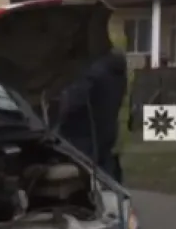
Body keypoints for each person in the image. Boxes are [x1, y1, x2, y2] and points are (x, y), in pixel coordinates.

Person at [54, 27, 129, 183]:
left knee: (84, 185)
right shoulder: (116, 70)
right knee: (107, 183)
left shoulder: (91, 72)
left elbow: (71, 103)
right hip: (107, 135)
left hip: (82, 139)